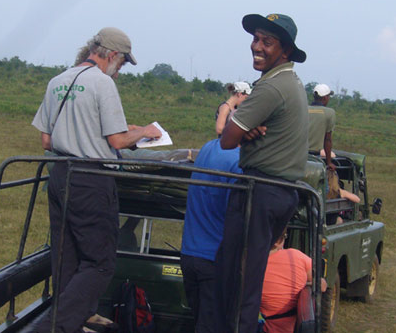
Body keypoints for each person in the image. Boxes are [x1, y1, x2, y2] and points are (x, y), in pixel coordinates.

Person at [31, 27, 161, 333]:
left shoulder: (58, 80)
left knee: (66, 258)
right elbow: (117, 140)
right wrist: (144, 132)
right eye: (124, 64)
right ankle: (54, 327)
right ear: (113, 56)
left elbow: (47, 141)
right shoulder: (102, 84)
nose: (121, 70)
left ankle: (81, 317)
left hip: (60, 176)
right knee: (101, 263)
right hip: (91, 180)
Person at [216, 13, 309, 333]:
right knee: (245, 276)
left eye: (267, 41)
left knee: (239, 279)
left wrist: (239, 129)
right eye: (256, 38)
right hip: (278, 191)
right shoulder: (290, 82)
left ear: (285, 51)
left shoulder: (271, 87)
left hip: (262, 191)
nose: (257, 46)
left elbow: (227, 140)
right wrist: (245, 129)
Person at [180, 139, 241, 333]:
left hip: (190, 254)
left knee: (200, 321)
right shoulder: (239, 164)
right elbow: (238, 216)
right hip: (214, 259)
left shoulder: (208, 147)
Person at [260, 230, 327, 333]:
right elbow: (322, 285)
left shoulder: (252, 267)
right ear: (278, 241)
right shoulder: (296, 256)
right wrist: (304, 285)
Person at [308, 84, 336, 171]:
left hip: (298, 153)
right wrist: (329, 162)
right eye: (328, 96)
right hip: (314, 155)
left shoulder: (303, 109)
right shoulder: (329, 113)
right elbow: (327, 140)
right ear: (325, 98)